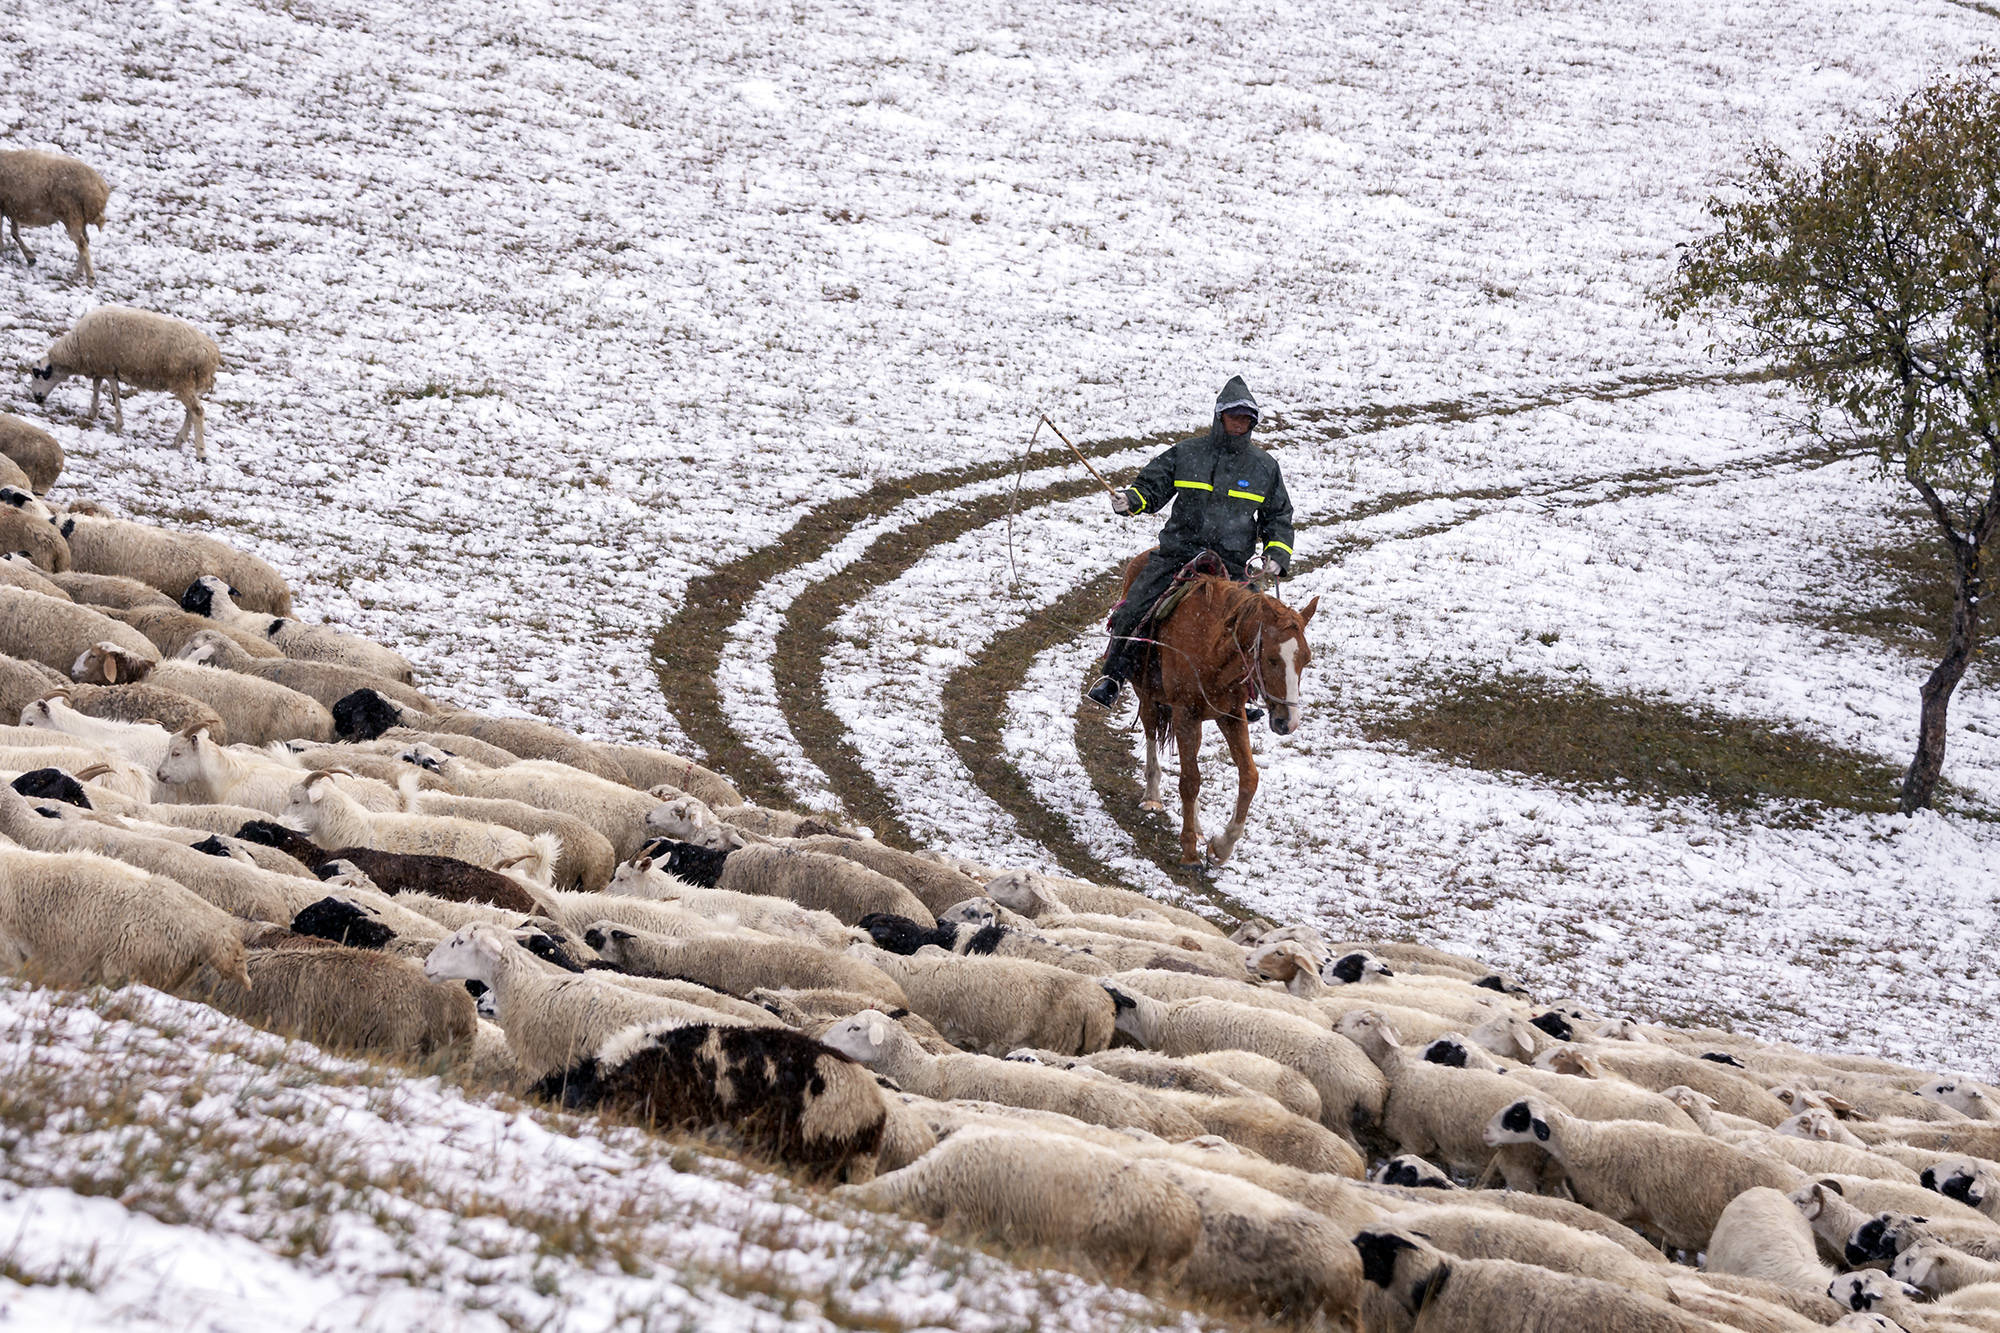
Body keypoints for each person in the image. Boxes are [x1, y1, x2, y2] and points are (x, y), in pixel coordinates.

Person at [1087, 375, 1295, 710]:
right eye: (1234, 416)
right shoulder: (1186, 453)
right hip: (1177, 555)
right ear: (1219, 416)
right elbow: (1152, 487)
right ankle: (1113, 677)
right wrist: (1132, 499)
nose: (1240, 423)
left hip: (1233, 565)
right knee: (1133, 609)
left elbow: (1278, 516)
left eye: (1247, 418)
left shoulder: (1264, 468)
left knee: (1260, 626)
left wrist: (1277, 554)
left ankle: (1250, 693)